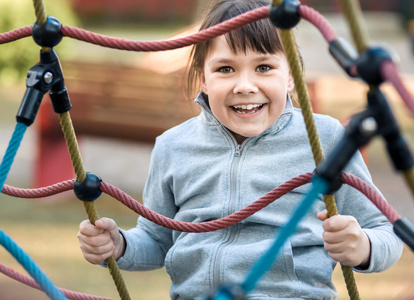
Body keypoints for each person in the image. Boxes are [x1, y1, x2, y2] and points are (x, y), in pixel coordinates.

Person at [77, 0, 404, 299]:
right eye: (225, 69)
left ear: (291, 76)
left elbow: (386, 233)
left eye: (263, 67)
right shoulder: (174, 147)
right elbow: (158, 240)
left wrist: (362, 246)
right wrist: (119, 244)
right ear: (202, 78)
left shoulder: (324, 138)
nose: (245, 86)